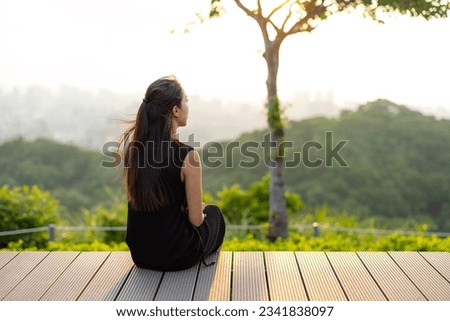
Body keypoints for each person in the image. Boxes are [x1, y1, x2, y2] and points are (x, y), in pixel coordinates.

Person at [120, 75, 225, 271]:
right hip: (177, 256)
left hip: (140, 255)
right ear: (175, 110)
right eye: (186, 101)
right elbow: (196, 220)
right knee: (214, 214)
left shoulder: (134, 151)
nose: (188, 105)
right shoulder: (188, 156)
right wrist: (198, 210)